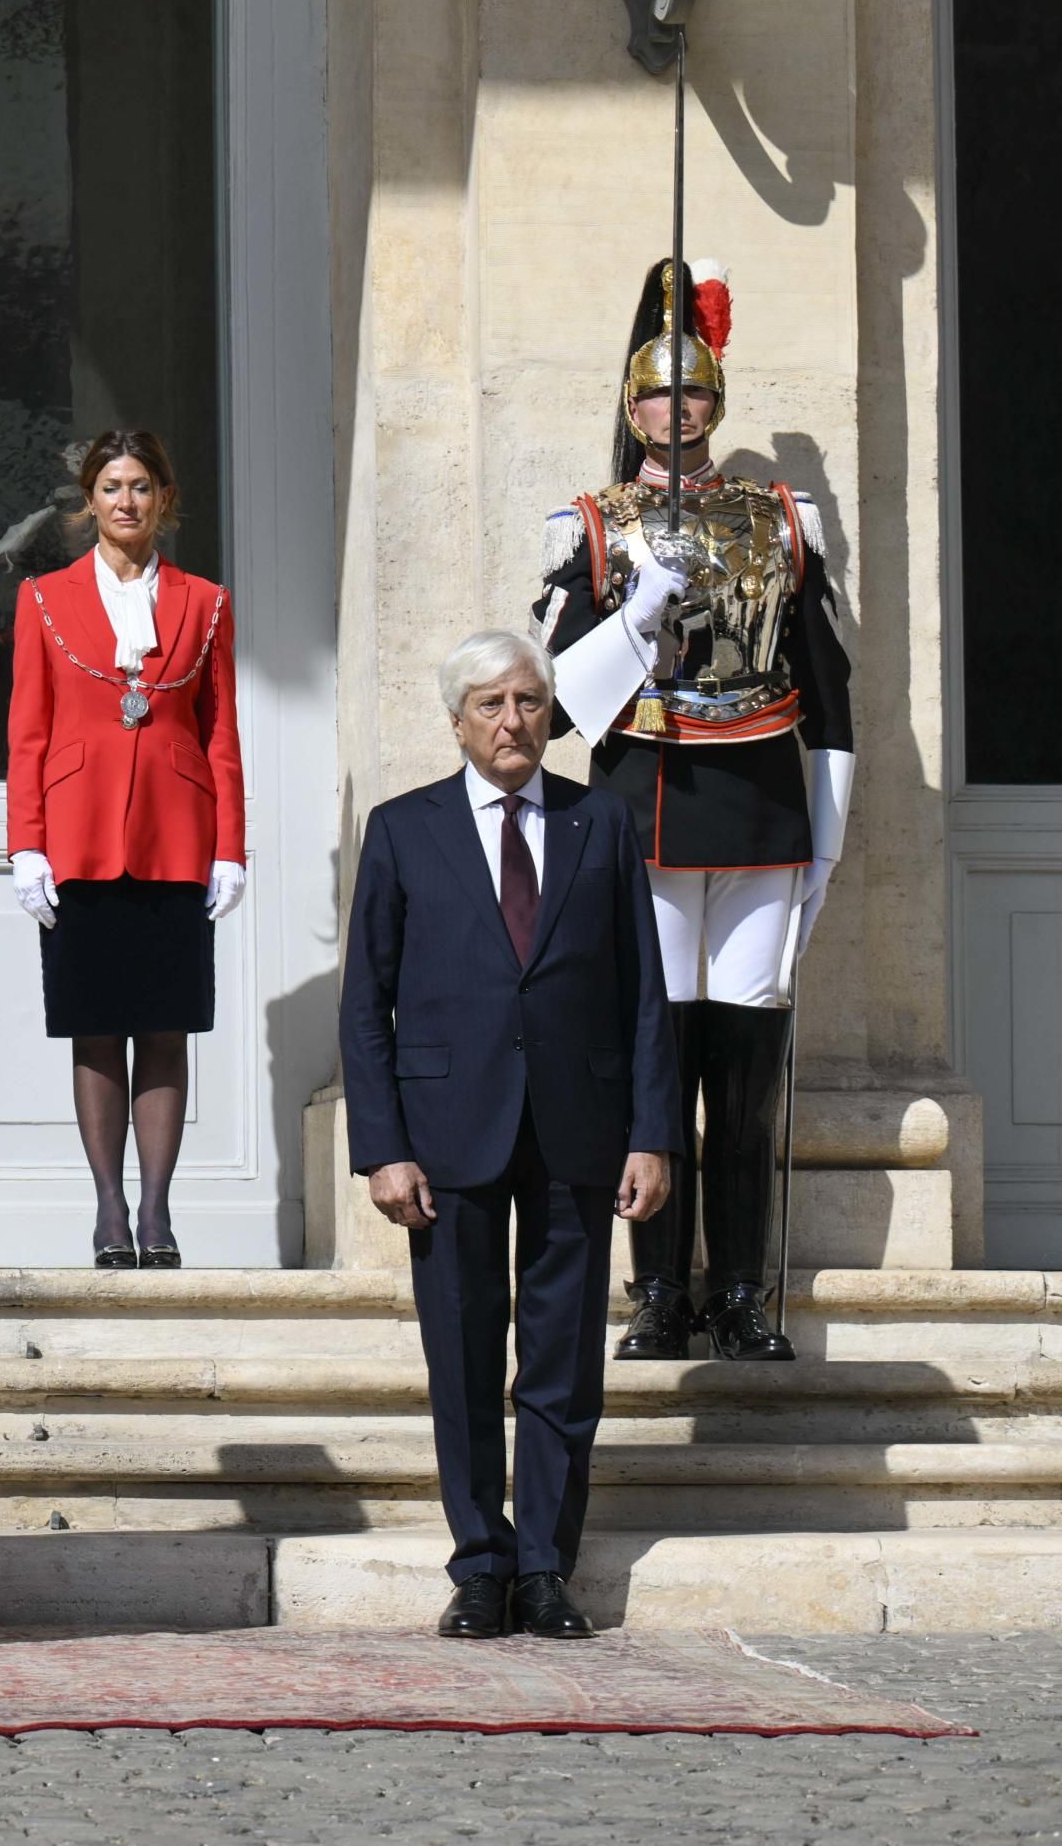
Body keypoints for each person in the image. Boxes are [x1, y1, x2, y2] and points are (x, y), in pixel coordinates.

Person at [533, 259, 854, 1363]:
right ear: (633, 408)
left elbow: (828, 686)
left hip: (763, 801)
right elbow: (566, 706)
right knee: (658, 1049)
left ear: (717, 401)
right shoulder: (593, 523)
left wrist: (833, 827)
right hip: (651, 806)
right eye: (660, 395)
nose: (679, 411)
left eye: (696, 392)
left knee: (751, 1055)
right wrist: (636, 622)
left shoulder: (779, 519)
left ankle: (745, 1296)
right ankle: (660, 1289)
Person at [340, 629, 679, 1642]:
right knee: (462, 1350)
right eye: (489, 703)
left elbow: (643, 993)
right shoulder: (405, 830)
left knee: (563, 1362)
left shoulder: (600, 823)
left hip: (579, 1125)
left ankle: (544, 1564)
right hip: (447, 1134)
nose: (512, 721)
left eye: (529, 701)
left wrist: (653, 1132)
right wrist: (381, 1145)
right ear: (456, 722)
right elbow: (368, 1003)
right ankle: (480, 1561)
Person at [3, 429, 246, 1269]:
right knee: (96, 1030)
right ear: (89, 502)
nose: (127, 502)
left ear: (164, 500)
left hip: (179, 835)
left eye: (142, 486)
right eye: (112, 487)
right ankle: (108, 1210)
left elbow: (222, 734)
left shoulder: (206, 600)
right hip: (76, 839)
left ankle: (156, 1211)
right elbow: (26, 734)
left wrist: (231, 848)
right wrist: (25, 846)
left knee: (166, 1028)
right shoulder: (41, 598)